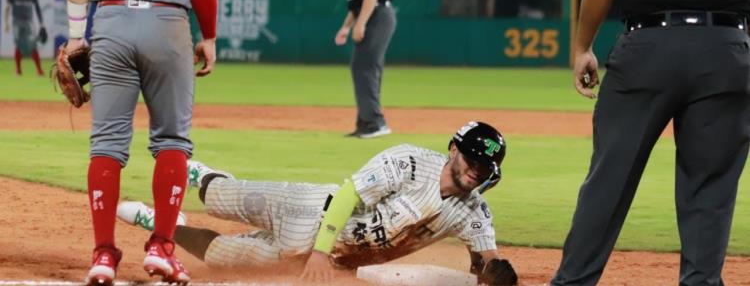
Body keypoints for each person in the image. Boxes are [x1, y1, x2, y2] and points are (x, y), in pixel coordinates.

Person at [553, 0, 750, 285]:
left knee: (610, 177)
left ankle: (573, 282)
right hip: (726, 49)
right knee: (711, 189)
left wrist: (582, 46)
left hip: (649, 45)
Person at [65, 0, 219, 284]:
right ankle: (162, 249)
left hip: (112, 21)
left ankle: (102, 256)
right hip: (169, 25)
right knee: (172, 140)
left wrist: (78, 35)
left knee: (107, 144)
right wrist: (207, 36)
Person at [117, 121, 518, 285]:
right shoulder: (409, 163)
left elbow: (487, 259)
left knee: (223, 256)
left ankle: (163, 225)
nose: (476, 173)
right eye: (473, 161)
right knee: (222, 198)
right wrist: (321, 255)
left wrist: (494, 273)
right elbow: (347, 196)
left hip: (321, 255)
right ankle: (200, 174)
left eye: (485, 170)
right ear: (453, 150)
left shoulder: (473, 211)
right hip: (307, 208)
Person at [334, 0, 397, 138]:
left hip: (377, 14)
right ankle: (366, 122)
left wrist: (360, 24)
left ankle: (375, 123)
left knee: (364, 67)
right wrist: (346, 27)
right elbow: (358, 1)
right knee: (364, 66)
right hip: (371, 13)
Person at [3, 0, 46, 76]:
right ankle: (18, 69)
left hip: (29, 22)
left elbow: (37, 8)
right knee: (18, 43)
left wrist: (41, 23)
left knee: (33, 44)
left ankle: (39, 70)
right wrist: (6, 23)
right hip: (17, 22)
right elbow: (7, 7)